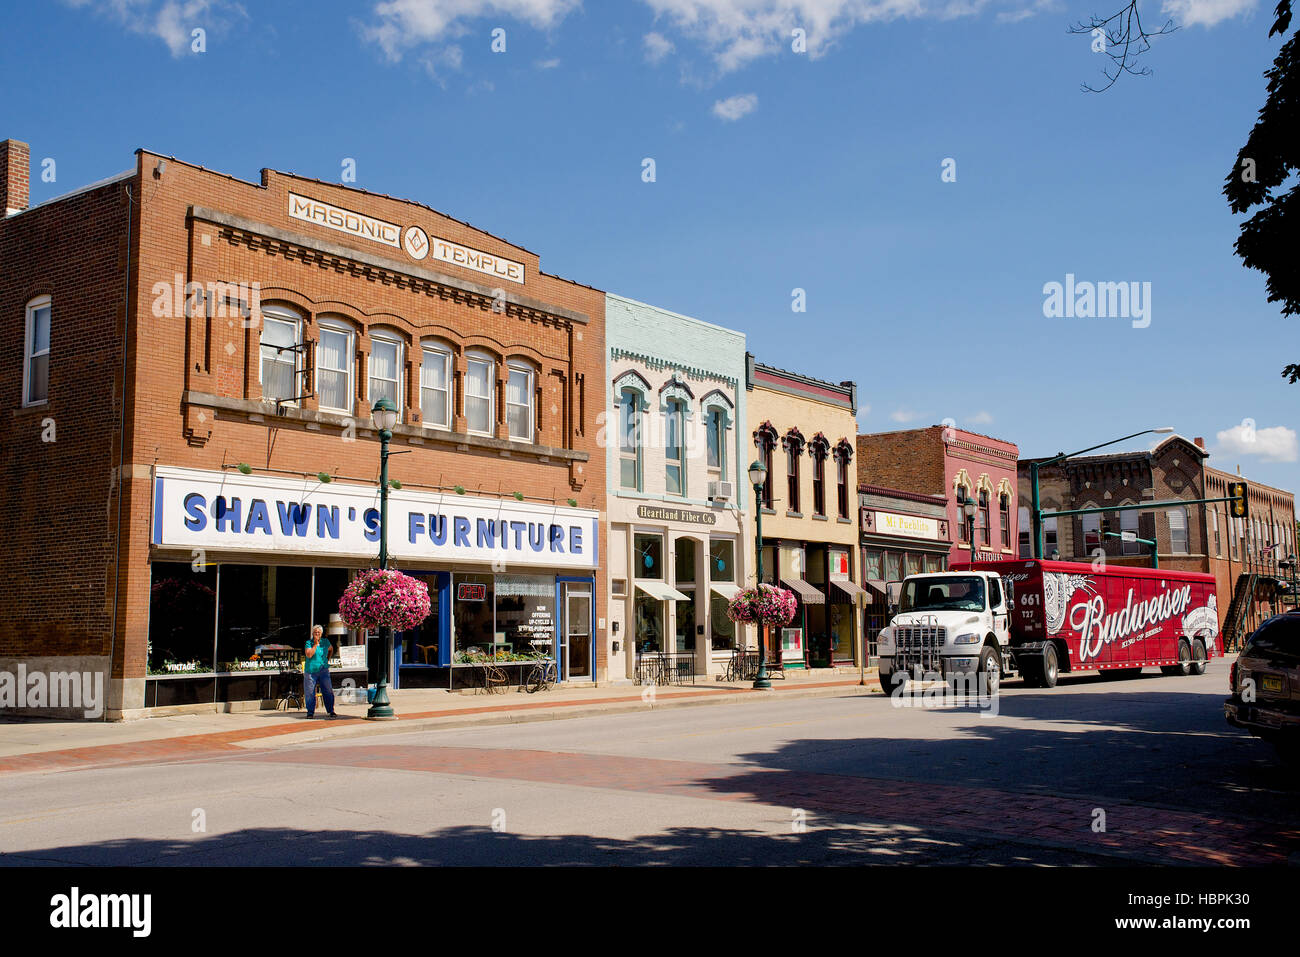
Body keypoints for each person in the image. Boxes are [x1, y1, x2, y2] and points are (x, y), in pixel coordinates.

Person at [303, 624, 336, 718]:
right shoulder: (309, 642)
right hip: (311, 671)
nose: (317, 634)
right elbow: (309, 655)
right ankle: (310, 712)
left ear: (321, 634)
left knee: (328, 690)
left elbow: (331, 649)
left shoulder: (326, 642)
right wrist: (315, 645)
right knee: (310, 692)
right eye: (315, 632)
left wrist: (327, 659)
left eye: (319, 632)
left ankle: (331, 710)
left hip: (323, 670)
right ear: (313, 633)